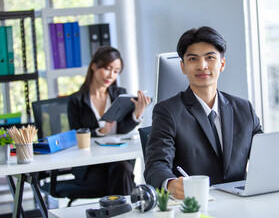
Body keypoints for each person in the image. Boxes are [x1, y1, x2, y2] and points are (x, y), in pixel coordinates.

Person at [144, 26, 263, 199]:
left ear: (222, 64)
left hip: (240, 202)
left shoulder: (244, 109)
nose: (202, 66)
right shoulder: (167, 112)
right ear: (183, 67)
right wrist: (170, 184)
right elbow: (156, 165)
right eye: (193, 59)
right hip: (196, 205)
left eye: (210, 57)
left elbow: (265, 156)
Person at [68, 46, 151, 195]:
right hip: (90, 165)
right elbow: (75, 134)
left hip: (116, 159)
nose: (111, 75)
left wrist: (137, 113)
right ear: (94, 66)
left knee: (122, 170)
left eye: (116, 71)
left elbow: (122, 128)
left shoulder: (120, 94)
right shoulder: (76, 100)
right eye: (107, 68)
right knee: (123, 175)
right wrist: (101, 131)